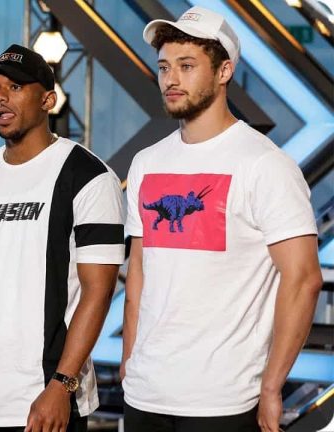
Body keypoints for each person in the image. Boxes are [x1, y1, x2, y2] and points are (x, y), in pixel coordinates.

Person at [122, 7, 323, 432]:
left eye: (187, 66)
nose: (171, 79)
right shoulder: (146, 162)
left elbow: (304, 278)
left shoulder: (264, 164)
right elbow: (139, 267)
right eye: (164, 67)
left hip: (224, 401)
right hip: (144, 393)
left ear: (224, 71)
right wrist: (129, 360)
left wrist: (272, 386)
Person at [0, 44, 125, 432]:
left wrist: (62, 385)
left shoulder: (88, 176)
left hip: (47, 400)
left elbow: (98, 292)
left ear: (48, 100)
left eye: (14, 87)